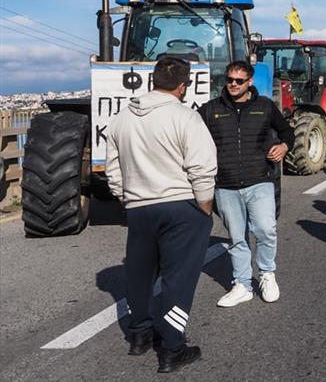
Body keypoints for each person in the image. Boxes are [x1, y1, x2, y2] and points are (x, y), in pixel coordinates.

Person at [106, 57, 217, 374]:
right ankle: (172, 348)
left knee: (140, 275)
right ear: (184, 85)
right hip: (180, 205)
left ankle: (139, 335)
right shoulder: (186, 117)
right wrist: (204, 206)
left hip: (139, 206)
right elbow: (202, 167)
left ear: (152, 80)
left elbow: (113, 169)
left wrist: (126, 198)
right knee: (177, 279)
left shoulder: (122, 118)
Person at [199, 61, 294, 308]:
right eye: (229, 79)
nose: (232, 84)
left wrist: (283, 147)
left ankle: (266, 274)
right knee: (237, 238)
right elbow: (191, 136)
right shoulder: (211, 109)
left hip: (259, 180)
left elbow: (287, 132)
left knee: (265, 229)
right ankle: (242, 284)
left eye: (238, 81)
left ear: (249, 82)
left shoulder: (264, 107)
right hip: (226, 184)